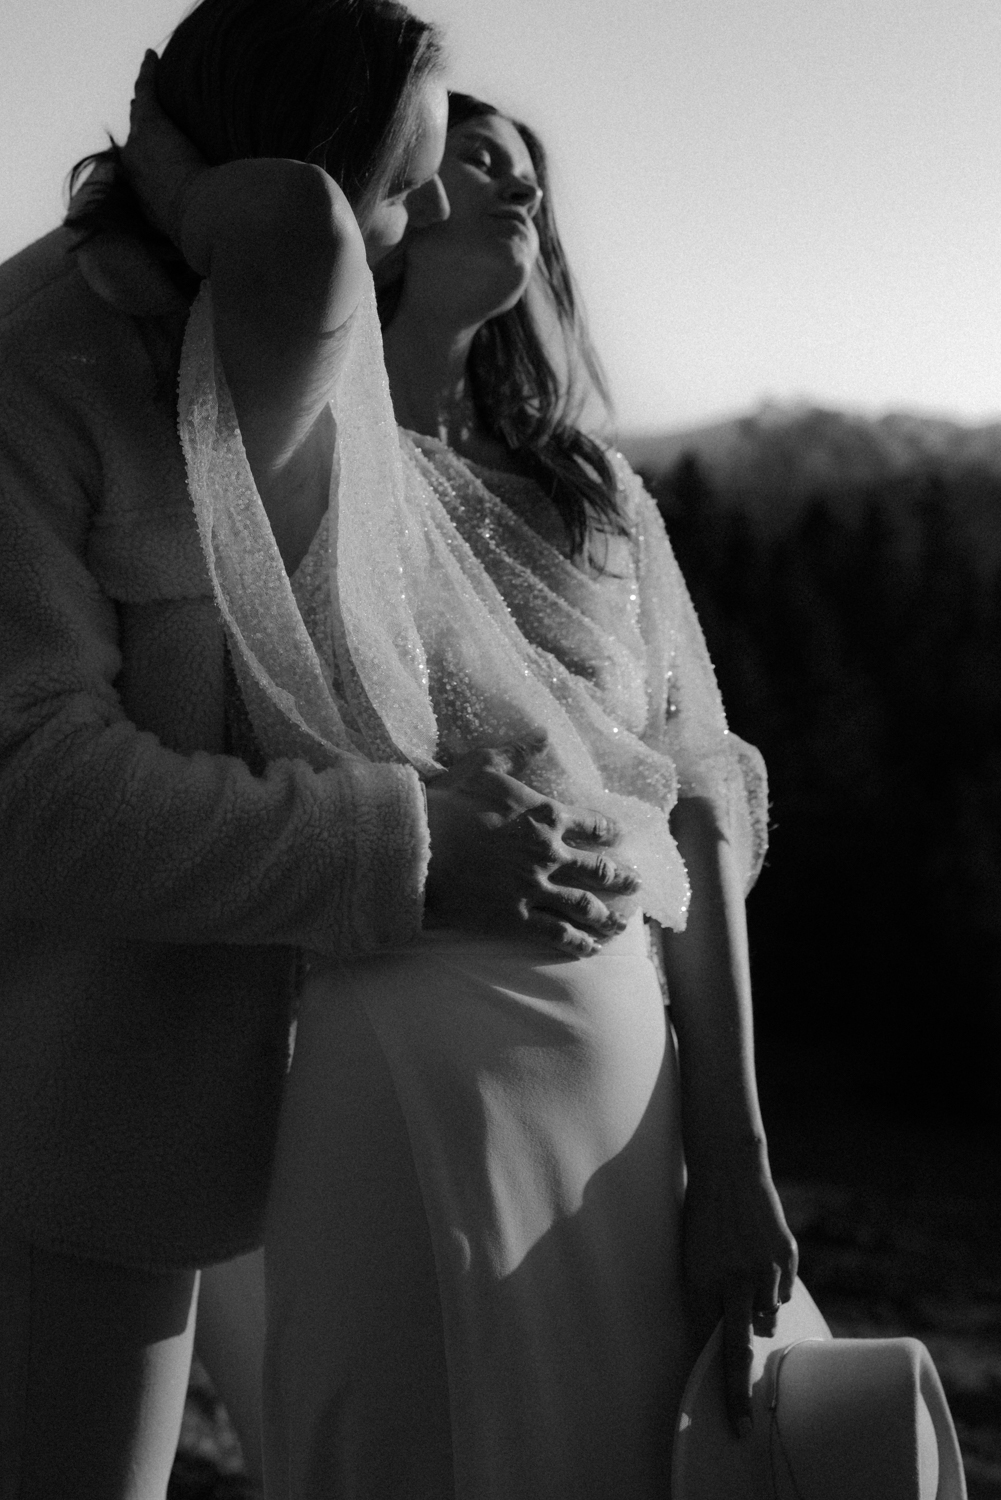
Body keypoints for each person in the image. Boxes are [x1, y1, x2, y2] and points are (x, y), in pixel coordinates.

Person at [123, 63, 798, 1495]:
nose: (523, 186)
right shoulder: (290, 457)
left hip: (632, 1106)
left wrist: (732, 1155)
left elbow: (695, 790)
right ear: (381, 202)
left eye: (529, 173)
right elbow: (278, 232)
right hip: (393, 1071)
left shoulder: (597, 496)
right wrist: (168, 168)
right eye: (474, 157)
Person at [0, 10, 637, 1494]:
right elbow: (30, 791)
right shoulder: (41, 372)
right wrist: (411, 852)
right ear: (281, 178)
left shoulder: (261, 346)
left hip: (240, 1109)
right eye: (403, 182)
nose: (406, 229)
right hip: (59, 1120)